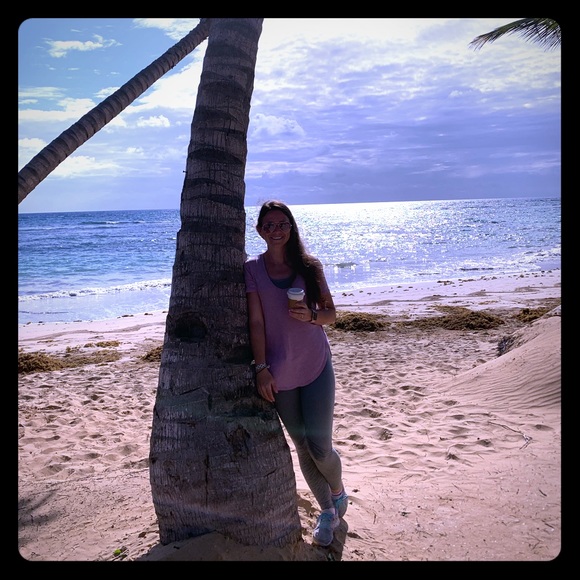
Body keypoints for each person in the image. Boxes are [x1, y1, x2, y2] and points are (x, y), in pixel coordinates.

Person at [244, 200, 348, 548]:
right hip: (279, 372)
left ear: (291, 227)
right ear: (259, 231)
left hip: (316, 364)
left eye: (282, 224)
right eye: (269, 225)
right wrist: (261, 368)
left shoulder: (309, 266)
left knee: (321, 448)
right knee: (302, 447)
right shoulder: (252, 269)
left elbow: (332, 314)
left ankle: (338, 490)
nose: (276, 230)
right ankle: (328, 512)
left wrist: (312, 316)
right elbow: (256, 322)